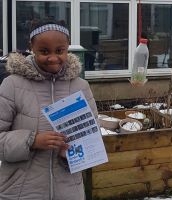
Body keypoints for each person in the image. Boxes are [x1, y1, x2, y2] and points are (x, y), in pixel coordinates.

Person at [0, 20, 99, 200]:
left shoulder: (80, 87)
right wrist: (31, 140)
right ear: (32, 47)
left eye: (59, 51)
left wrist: (70, 153)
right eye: (44, 51)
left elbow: (92, 137)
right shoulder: (12, 85)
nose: (53, 58)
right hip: (21, 191)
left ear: (67, 47)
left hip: (68, 191)